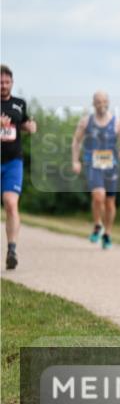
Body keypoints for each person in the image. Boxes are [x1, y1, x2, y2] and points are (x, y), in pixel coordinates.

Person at [71, 91, 120, 250]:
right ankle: (97, 225)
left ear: (108, 102)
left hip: (111, 166)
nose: (101, 104)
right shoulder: (86, 122)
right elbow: (76, 141)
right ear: (93, 103)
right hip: (93, 164)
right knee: (98, 196)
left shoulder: (117, 123)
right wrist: (75, 160)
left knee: (110, 202)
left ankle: (107, 233)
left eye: (104, 101)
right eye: (98, 102)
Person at [1, 64, 37, 270]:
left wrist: (30, 126)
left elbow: (21, 123)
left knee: (10, 203)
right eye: (0, 83)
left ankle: (11, 249)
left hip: (13, 161)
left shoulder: (19, 104)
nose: (3, 86)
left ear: (12, 83)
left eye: (7, 82)